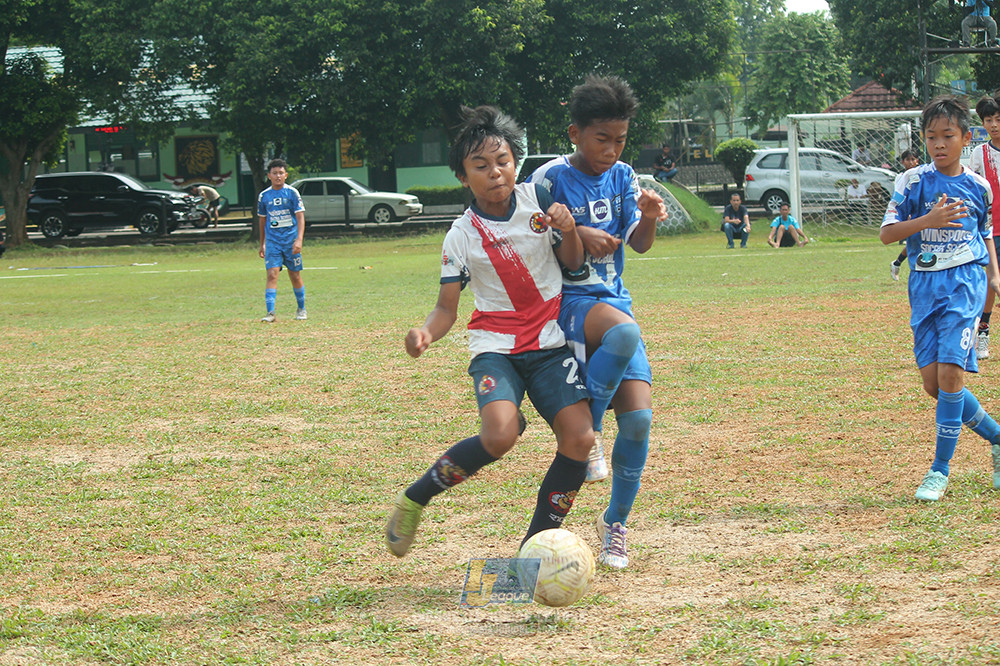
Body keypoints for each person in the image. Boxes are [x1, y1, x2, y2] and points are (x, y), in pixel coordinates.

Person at [385, 105, 596, 558]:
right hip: (496, 350)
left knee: (580, 440)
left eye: (502, 161)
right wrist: (424, 334)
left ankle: (531, 552)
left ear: (515, 163)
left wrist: (569, 228)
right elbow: (446, 309)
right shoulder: (460, 235)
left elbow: (575, 263)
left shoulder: (539, 200)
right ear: (463, 177)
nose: (495, 173)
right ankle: (415, 498)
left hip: (550, 345)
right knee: (499, 436)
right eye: (480, 166)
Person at [529, 75, 667, 569]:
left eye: (620, 140)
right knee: (625, 332)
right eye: (601, 139)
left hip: (614, 300)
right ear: (575, 133)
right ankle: (589, 434)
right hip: (569, 302)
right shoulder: (548, 179)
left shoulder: (625, 175)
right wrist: (577, 229)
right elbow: (536, 236)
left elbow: (641, 243)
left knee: (641, 421)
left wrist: (649, 215)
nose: (611, 150)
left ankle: (615, 524)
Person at [879, 94, 1000, 502]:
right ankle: (998, 438)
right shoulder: (912, 182)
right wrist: (927, 221)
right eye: (932, 137)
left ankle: (939, 470)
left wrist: (994, 276)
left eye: (948, 135)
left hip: (965, 283)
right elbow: (887, 234)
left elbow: (983, 234)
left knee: (951, 374)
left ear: (966, 138)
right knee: (934, 384)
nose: (939, 144)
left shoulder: (977, 185)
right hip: (924, 287)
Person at [968, 94, 1000, 359]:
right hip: (993, 229)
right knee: (991, 283)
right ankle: (982, 333)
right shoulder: (980, 153)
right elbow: (973, 190)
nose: (994, 125)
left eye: (998, 119)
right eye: (988, 120)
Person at [257, 158, 307, 322]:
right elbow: (262, 221)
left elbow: (300, 218)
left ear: (286, 175)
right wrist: (262, 243)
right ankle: (270, 313)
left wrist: (299, 240)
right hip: (273, 242)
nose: (278, 176)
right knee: (272, 274)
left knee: (295, 275)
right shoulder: (264, 196)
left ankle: (301, 308)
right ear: (269, 176)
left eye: (281, 173)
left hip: (290, 241)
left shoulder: (292, 193)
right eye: (274, 173)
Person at [890, 149, 923, 281]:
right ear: (902, 162)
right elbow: (899, 198)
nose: (911, 162)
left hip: (921, 211)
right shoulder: (901, 177)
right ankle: (899, 264)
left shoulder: (922, 174)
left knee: (917, 241)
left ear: (917, 161)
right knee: (915, 241)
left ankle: (897, 263)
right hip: (910, 213)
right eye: (908, 160)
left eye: (913, 159)